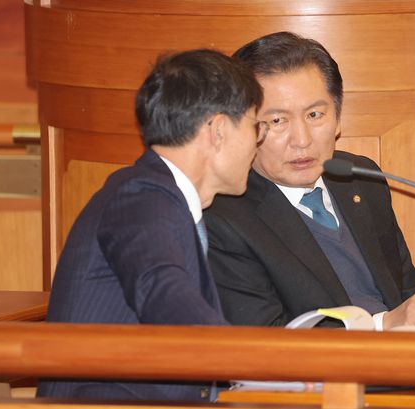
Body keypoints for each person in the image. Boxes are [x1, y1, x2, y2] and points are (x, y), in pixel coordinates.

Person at [37, 49, 264, 401]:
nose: (258, 142)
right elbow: (161, 289)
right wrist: (256, 361)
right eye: (255, 125)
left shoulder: (160, 194)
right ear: (218, 130)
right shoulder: (143, 194)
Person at [204, 32, 415, 330]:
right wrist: (381, 325)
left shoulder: (360, 179)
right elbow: (265, 337)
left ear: (337, 118)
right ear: (243, 127)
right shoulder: (223, 216)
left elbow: (408, 288)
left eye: (314, 114)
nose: (302, 140)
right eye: (277, 121)